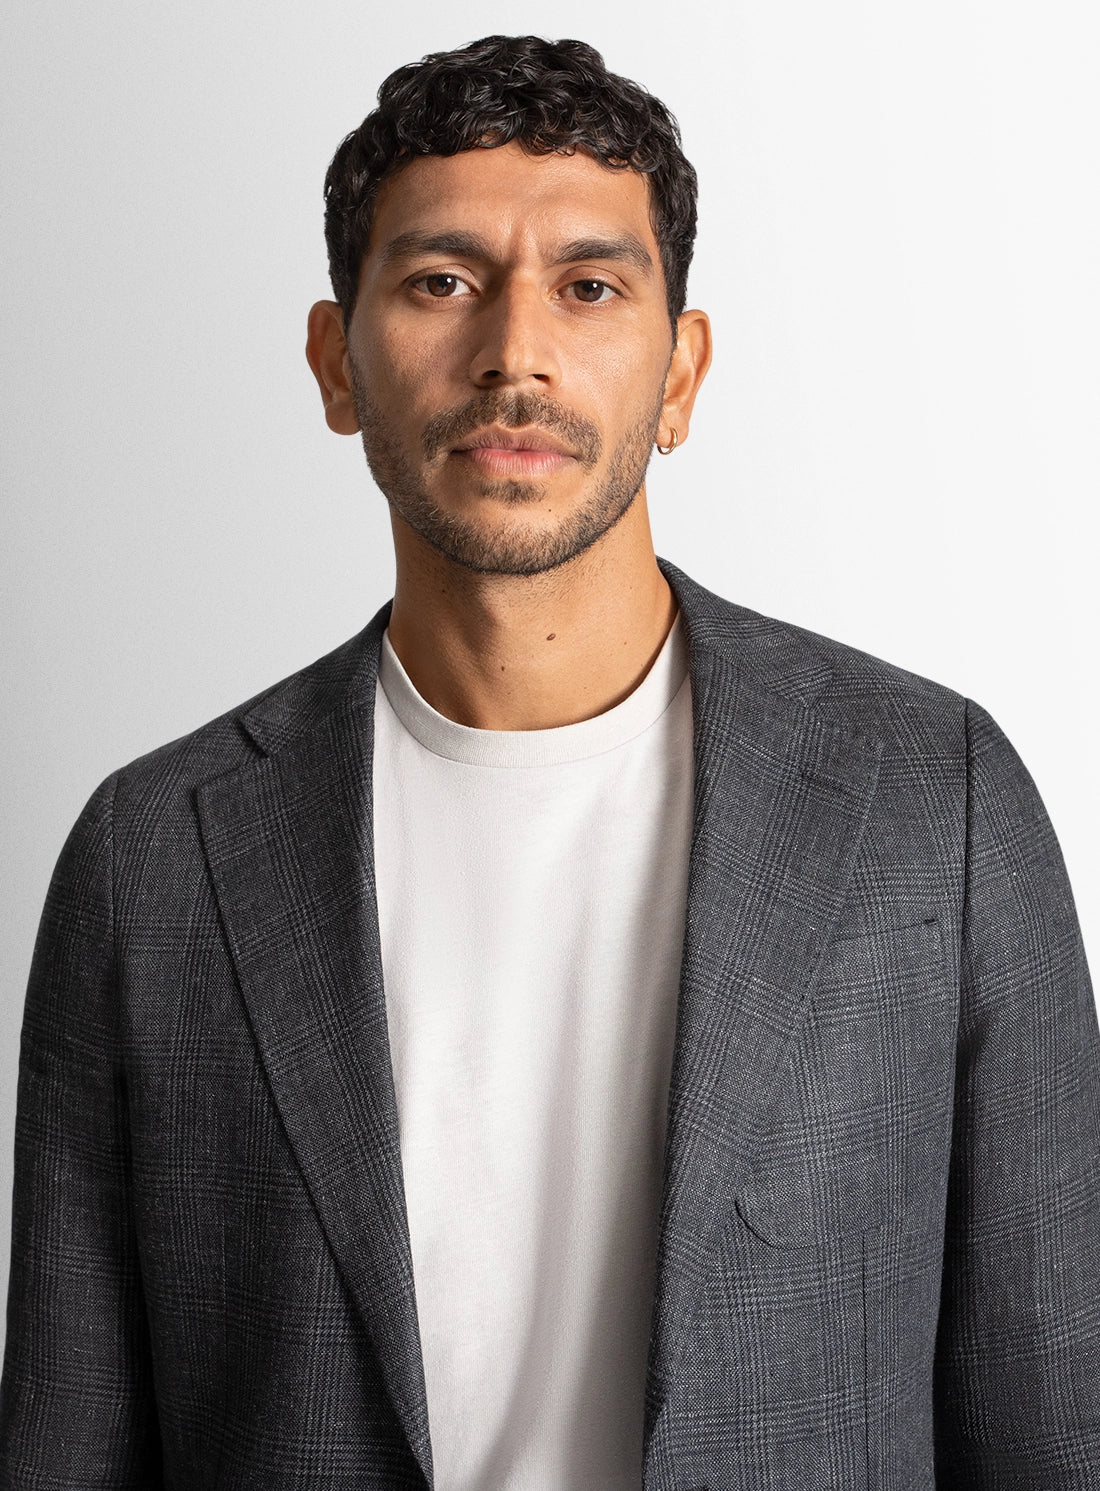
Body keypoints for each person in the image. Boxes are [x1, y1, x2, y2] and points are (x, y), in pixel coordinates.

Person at [1, 31, 1097, 1490]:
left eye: (590, 287)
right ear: (337, 363)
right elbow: (66, 1452)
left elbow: (1056, 1433)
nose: (515, 352)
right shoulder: (154, 858)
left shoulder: (932, 804)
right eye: (442, 282)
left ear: (680, 374)